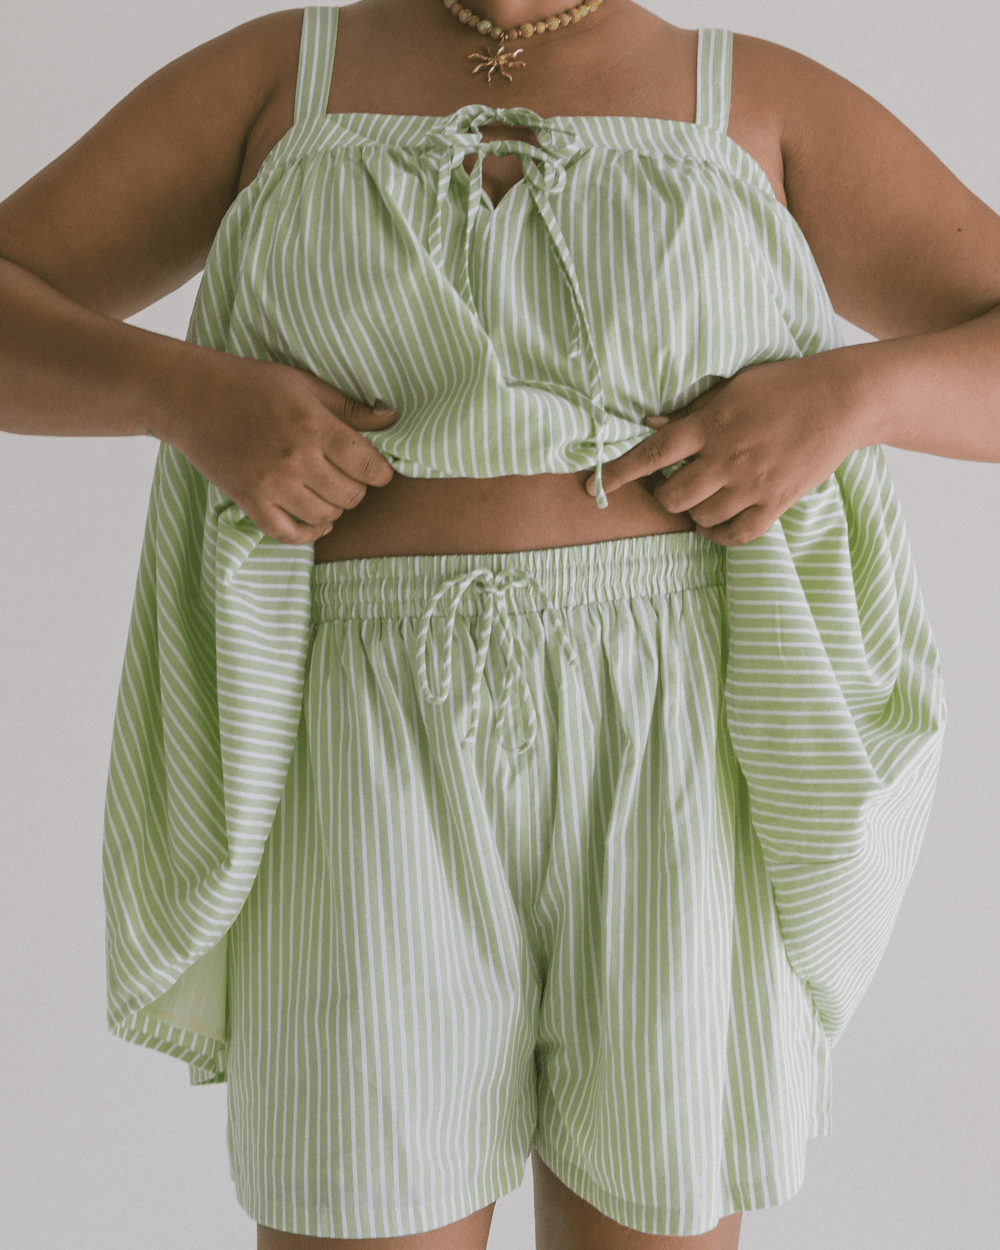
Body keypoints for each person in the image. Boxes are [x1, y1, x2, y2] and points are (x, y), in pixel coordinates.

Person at [1, 2, 997, 1247]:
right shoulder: (282, 79)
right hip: (359, 735)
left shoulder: (750, 99)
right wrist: (180, 392)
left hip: (679, 735)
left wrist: (849, 396)